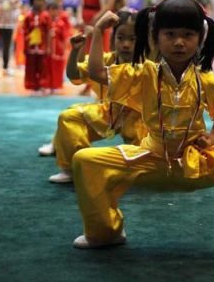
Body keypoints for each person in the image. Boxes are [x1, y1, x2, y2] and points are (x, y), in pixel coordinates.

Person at [71, 0, 214, 256]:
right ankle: (104, 232)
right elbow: (97, 73)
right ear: (156, 37)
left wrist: (213, 138)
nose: (179, 42)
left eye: (188, 34)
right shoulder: (143, 73)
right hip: (149, 158)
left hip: (198, 162)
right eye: (170, 34)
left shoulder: (206, 79)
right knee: (85, 160)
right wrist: (99, 33)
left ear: (200, 38)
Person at [40, 10, 146, 183]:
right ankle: (71, 169)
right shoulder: (105, 60)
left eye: (132, 39)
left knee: (141, 167)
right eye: (120, 38)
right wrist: (75, 52)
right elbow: (75, 75)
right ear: (113, 40)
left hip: (141, 119)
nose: (126, 44)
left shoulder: (149, 64)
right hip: (108, 112)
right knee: (69, 117)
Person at [23, 0, 51, 95]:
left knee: (43, 67)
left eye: (40, 0)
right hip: (31, 47)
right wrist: (26, 46)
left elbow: (49, 32)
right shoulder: (28, 16)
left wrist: (48, 47)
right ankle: (33, 87)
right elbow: (25, 32)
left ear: (43, 1)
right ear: (32, 1)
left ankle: (42, 86)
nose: (38, 2)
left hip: (42, 46)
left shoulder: (46, 16)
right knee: (31, 67)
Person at [46, 1, 69, 92]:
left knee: (57, 69)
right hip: (48, 50)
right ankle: (47, 85)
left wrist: (64, 50)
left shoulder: (61, 23)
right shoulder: (46, 22)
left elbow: (64, 38)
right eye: (51, 10)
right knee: (47, 68)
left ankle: (56, 86)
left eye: (55, 10)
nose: (53, 12)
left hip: (58, 50)